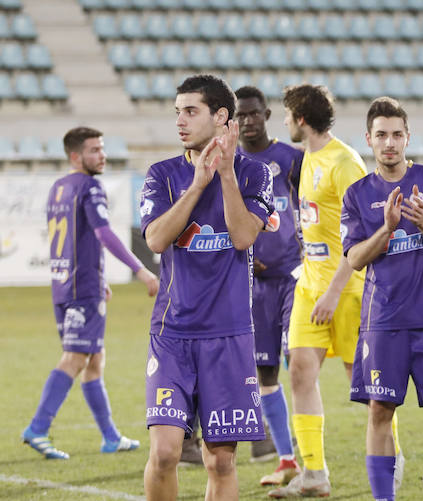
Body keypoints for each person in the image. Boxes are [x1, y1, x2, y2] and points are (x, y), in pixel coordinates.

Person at [140, 74, 274, 501]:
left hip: (229, 336)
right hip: (172, 334)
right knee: (164, 453)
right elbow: (157, 240)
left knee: (221, 460)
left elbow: (242, 237)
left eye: (190, 111)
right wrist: (197, 184)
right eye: (177, 111)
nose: (180, 120)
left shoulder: (255, 174)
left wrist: (226, 175)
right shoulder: (162, 174)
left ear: (221, 117)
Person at [269, 83, 385, 498]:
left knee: (366, 384)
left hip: (347, 289)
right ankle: (314, 472)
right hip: (308, 285)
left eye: (286, 115)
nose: (284, 123)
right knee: (300, 372)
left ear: (301, 118)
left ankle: (391, 455)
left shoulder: (345, 162)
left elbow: (365, 234)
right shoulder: (307, 158)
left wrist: (334, 292)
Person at [343, 97, 423, 501]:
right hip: (384, 319)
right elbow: (355, 259)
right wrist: (387, 229)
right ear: (369, 140)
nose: (389, 143)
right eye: (381, 135)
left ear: (408, 137)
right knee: (380, 411)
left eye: (396, 134)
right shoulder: (357, 194)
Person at [22, 127, 159, 460]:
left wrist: (98, 277)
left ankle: (111, 436)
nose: (102, 155)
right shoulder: (90, 187)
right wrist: (140, 270)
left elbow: (71, 238)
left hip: (64, 283)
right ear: (75, 156)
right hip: (81, 289)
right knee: (77, 358)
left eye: (102, 148)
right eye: (94, 150)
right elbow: (103, 234)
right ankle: (38, 427)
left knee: (94, 360)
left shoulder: (58, 187)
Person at [234, 85, 305, 485]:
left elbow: (310, 208)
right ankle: (285, 458)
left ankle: (311, 455)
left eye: (253, 113)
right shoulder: (229, 162)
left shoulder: (290, 159)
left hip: (293, 276)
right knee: (266, 373)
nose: (247, 121)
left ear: (266, 114)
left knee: (300, 366)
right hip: (254, 285)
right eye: (240, 115)